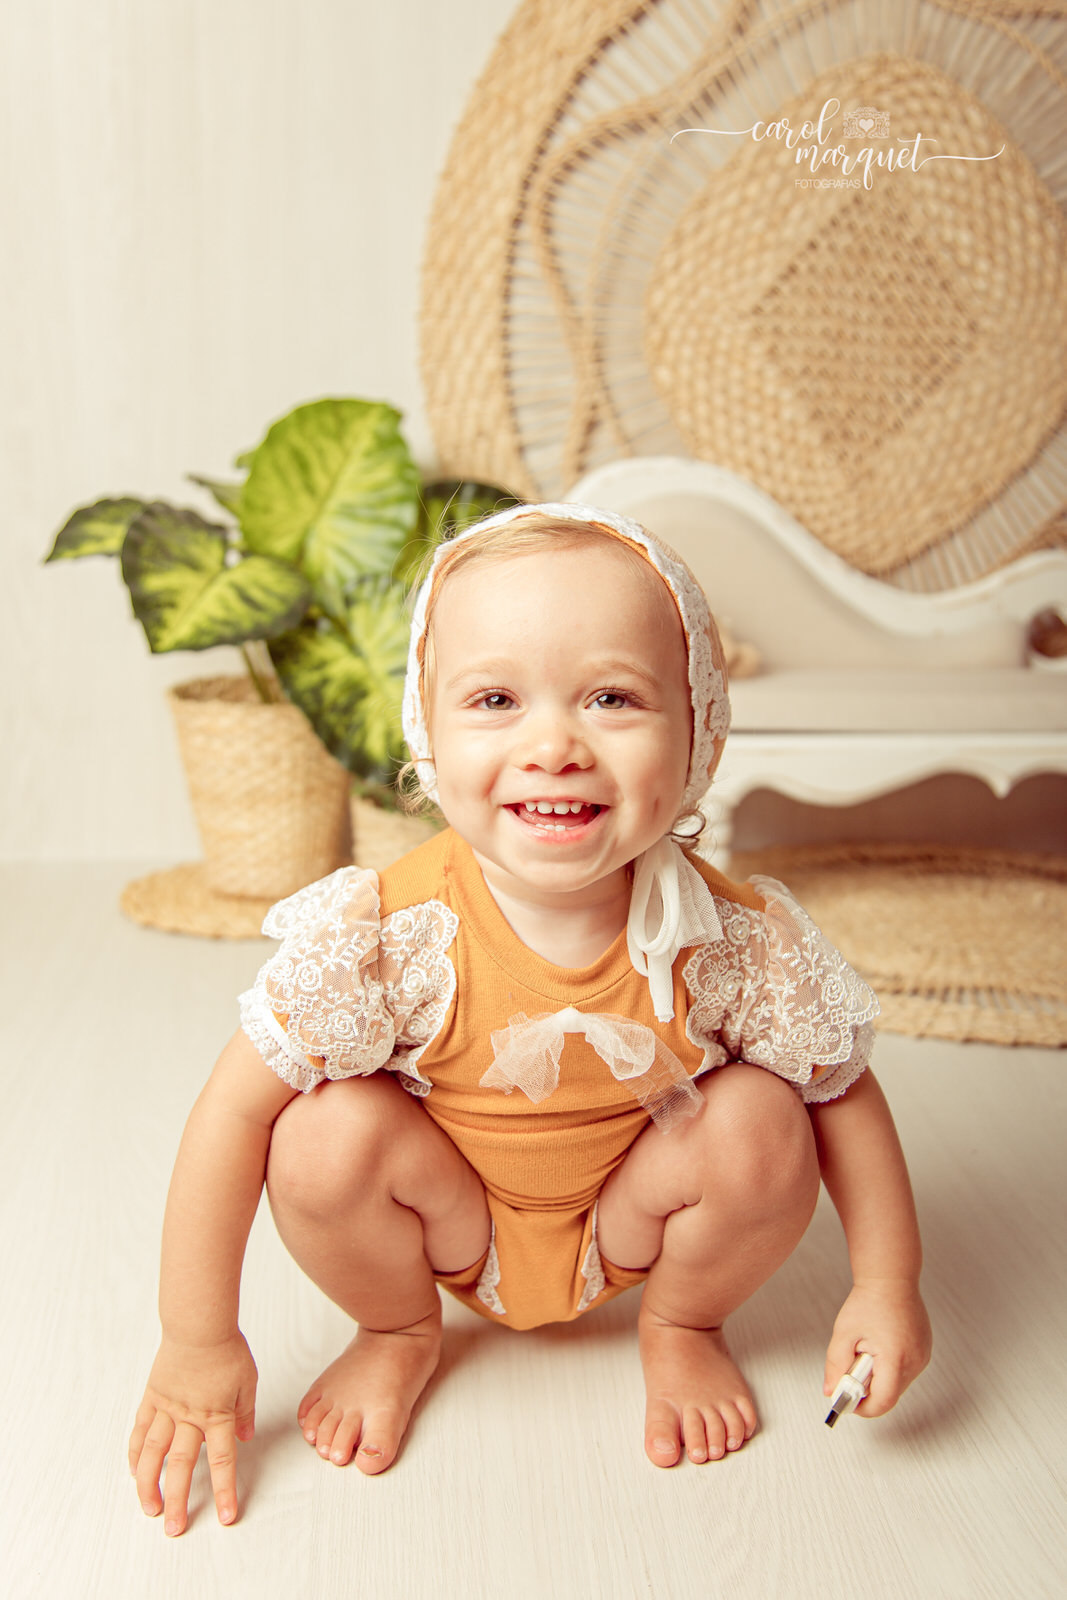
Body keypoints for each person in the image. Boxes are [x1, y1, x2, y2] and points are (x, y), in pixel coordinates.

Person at [129, 503, 932, 1537]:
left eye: (611, 697)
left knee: (765, 1118)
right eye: (495, 699)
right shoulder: (390, 933)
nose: (552, 744)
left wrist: (887, 1284)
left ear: (698, 727)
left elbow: (841, 1095)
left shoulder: (732, 940)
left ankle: (683, 1324)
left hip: (634, 1221)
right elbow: (231, 1115)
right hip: (445, 1220)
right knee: (319, 1133)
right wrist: (197, 1339)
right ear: (427, 732)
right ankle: (397, 1328)